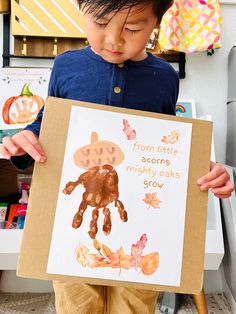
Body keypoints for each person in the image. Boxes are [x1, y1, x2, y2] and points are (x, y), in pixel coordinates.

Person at [0, 0, 234, 313]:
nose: (113, 39)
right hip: (72, 232)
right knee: (76, 305)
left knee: (135, 305)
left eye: (132, 28)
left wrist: (202, 171)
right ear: (81, 9)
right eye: (99, 22)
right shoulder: (66, 66)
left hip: (139, 226)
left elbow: (164, 148)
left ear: (156, 22)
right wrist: (25, 141)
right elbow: (48, 126)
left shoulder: (164, 78)